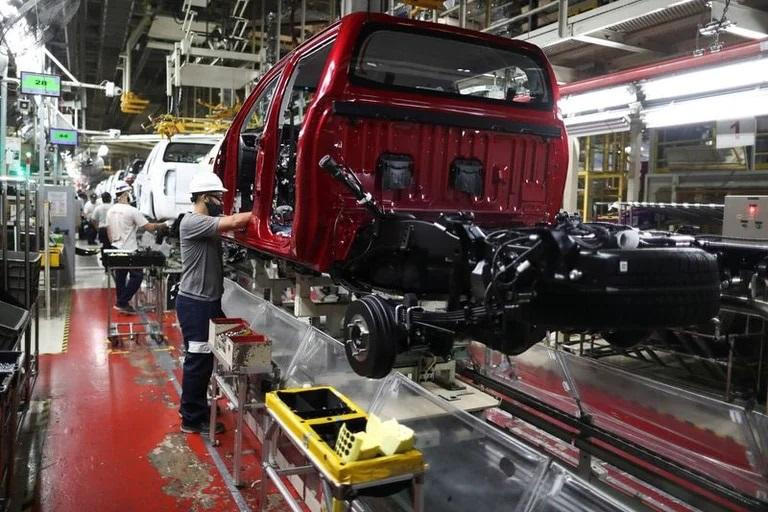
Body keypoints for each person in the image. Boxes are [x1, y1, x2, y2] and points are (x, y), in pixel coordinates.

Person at [177, 172, 251, 434]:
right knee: (198, 360)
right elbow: (233, 221)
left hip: (206, 302)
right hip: (196, 305)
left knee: (205, 359)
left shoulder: (204, 221)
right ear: (204, 197)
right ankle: (191, 418)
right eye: (218, 197)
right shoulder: (193, 222)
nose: (221, 201)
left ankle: (192, 405)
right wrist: (264, 214)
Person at [106, 181, 166, 314]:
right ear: (126, 194)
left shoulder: (111, 210)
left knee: (120, 276)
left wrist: (115, 244)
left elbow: (109, 231)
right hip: (130, 250)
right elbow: (149, 227)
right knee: (137, 276)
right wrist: (164, 224)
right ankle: (122, 301)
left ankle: (122, 303)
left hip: (115, 248)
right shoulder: (132, 211)